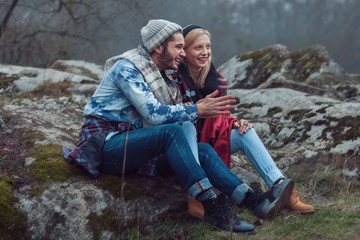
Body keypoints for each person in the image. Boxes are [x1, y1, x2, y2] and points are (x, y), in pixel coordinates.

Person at [63, 19, 295, 234]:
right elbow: (153, 114)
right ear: (158, 47)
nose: (183, 54)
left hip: (135, 142)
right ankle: (212, 207)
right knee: (171, 132)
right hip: (105, 144)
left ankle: (253, 200)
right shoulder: (128, 68)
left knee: (202, 150)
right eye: (178, 47)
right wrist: (196, 109)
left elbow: (177, 116)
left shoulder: (165, 78)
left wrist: (214, 114)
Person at [173, 24, 315, 219]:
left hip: (211, 138)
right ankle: (200, 196)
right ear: (185, 50)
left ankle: (281, 189)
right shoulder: (174, 79)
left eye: (208, 47)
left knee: (245, 132)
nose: (205, 52)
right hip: (188, 144)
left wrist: (235, 122)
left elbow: (222, 114)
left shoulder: (215, 80)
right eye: (198, 48)